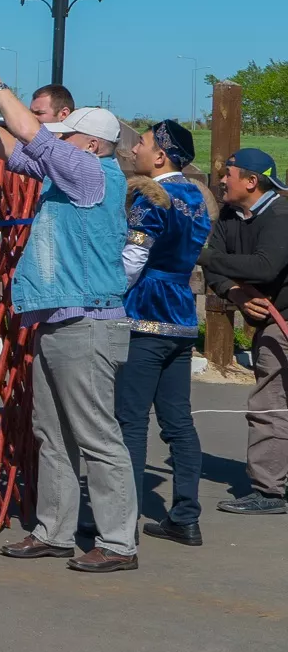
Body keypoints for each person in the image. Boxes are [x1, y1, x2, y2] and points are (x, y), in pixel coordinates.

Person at [0, 68, 138, 572]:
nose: (58, 143)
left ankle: (119, 543)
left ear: (91, 144)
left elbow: (31, 134)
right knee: (51, 433)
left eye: (67, 137)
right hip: (61, 316)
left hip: (89, 320)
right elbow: (12, 149)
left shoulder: (93, 176)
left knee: (96, 435)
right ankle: (54, 531)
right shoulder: (68, 176)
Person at [112, 120, 212, 544]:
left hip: (147, 310)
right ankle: (185, 516)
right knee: (178, 421)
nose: (134, 149)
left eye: (143, 143)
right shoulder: (196, 196)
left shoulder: (153, 196)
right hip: (182, 314)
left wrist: (106, 292)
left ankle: (121, 520)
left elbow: (133, 259)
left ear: (161, 156)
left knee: (131, 420)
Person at [199, 149, 288, 515]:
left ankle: (269, 492)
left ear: (252, 181)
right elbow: (217, 273)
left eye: (229, 174)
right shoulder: (229, 216)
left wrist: (200, 254)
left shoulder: (281, 215)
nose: (222, 180)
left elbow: (265, 267)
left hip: (281, 323)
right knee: (273, 402)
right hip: (272, 324)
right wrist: (234, 292)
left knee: (269, 405)